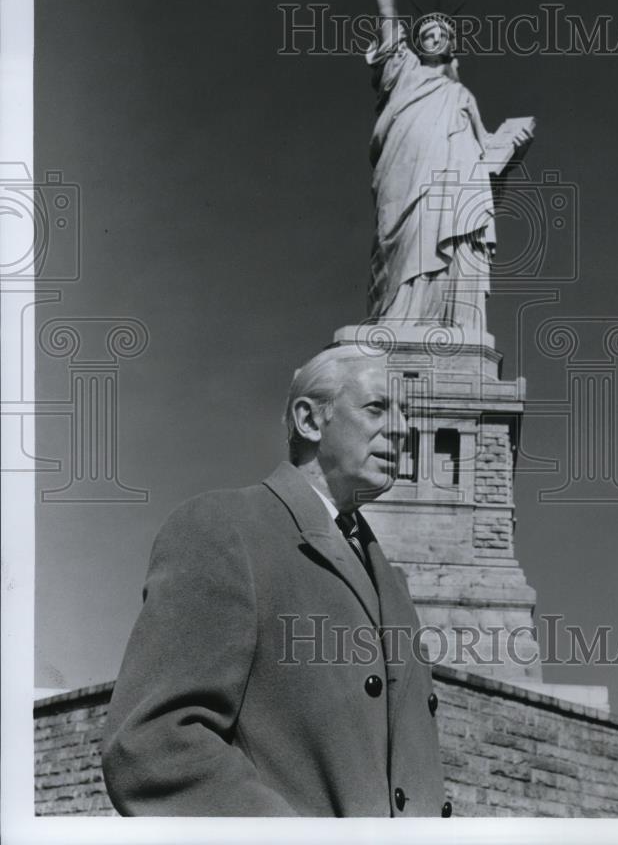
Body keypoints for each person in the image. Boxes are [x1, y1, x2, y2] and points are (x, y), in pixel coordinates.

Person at [101, 345, 450, 817]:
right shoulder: (226, 529)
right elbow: (153, 742)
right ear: (309, 420)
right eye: (377, 408)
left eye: (405, 413)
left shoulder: (393, 585)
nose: (403, 429)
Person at [366, 0, 533, 334]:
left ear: (450, 44)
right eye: (427, 34)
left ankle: (447, 324)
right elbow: (388, 17)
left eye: (442, 34)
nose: (435, 37)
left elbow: (486, 150)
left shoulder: (461, 95)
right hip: (405, 178)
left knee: (451, 235)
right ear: (417, 44)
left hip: (453, 183)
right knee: (405, 243)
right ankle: (396, 318)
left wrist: (513, 144)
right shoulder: (403, 71)